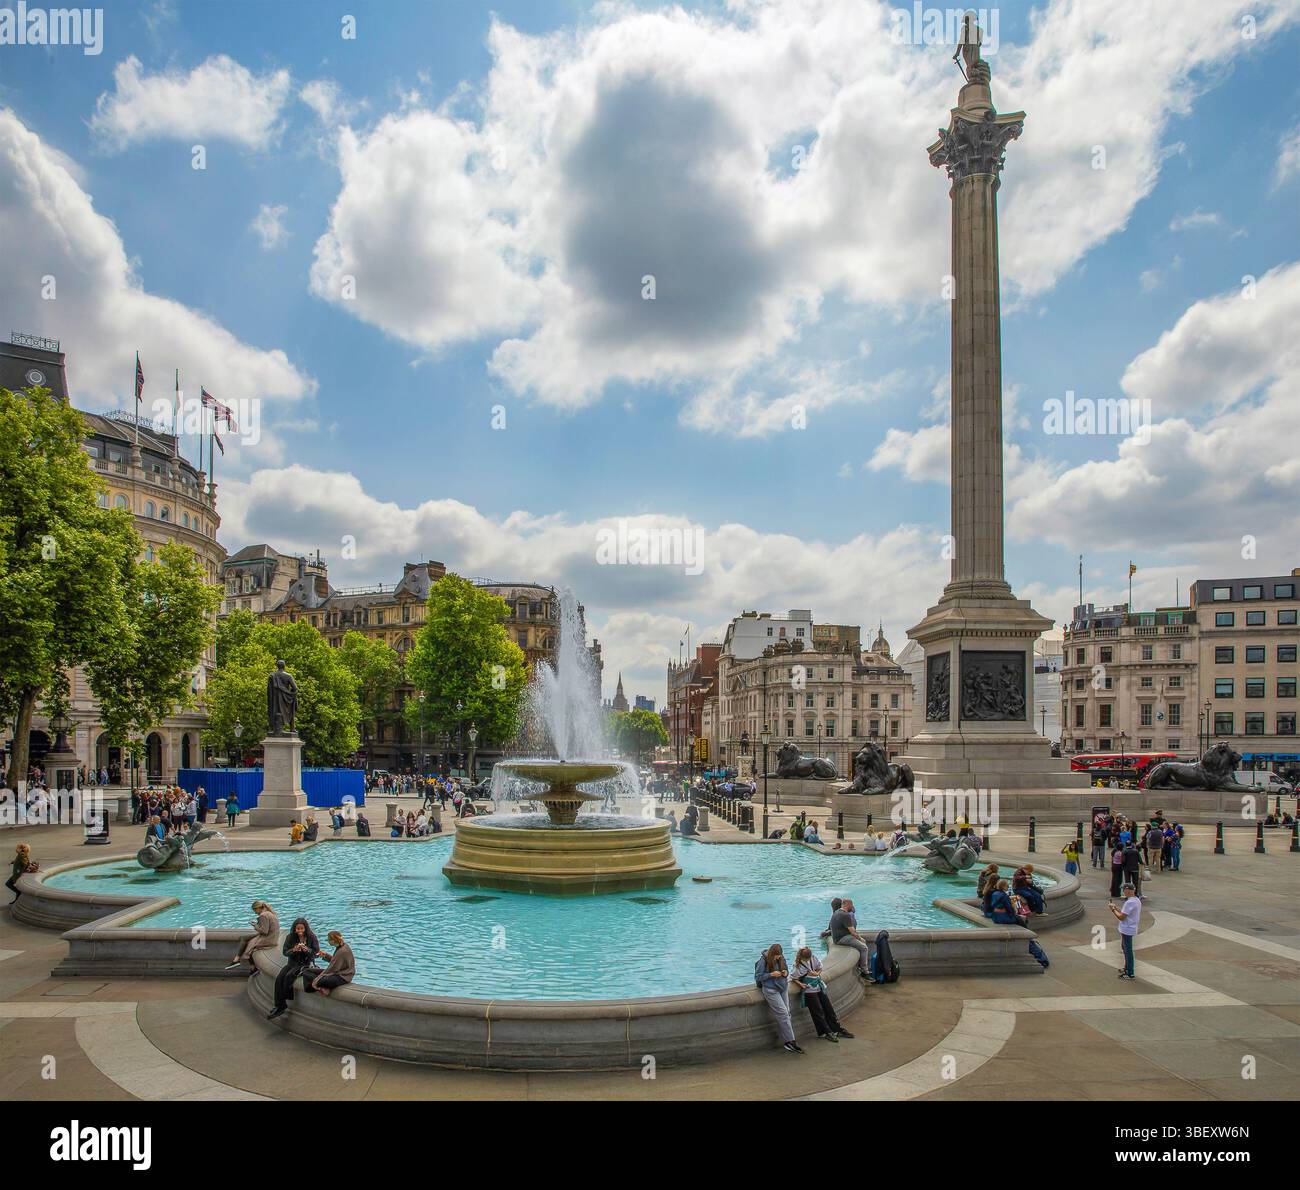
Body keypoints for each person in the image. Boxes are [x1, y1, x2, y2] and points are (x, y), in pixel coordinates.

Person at [790, 946, 852, 1042]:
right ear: (802, 957)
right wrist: (801, 984)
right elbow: (793, 978)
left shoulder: (813, 958)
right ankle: (825, 1032)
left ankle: (836, 1029)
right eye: (807, 958)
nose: (809, 959)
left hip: (819, 987)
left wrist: (817, 973)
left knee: (828, 1008)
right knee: (817, 1012)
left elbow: (820, 967)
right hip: (809, 991)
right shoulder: (797, 966)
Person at [267, 917, 322, 1019]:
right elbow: (285, 952)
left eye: (302, 929)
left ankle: (286, 998)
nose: (300, 931)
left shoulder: (312, 937)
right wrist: (294, 950)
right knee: (279, 978)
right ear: (295, 929)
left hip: (304, 963)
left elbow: (316, 953)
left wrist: (307, 950)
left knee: (289, 976)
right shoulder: (290, 937)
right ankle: (279, 1004)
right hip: (292, 963)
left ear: (305, 928)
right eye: (298, 929)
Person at [755, 943, 802, 1054]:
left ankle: (787, 1039)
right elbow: (758, 976)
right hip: (771, 990)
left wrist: (785, 973)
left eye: (779, 955)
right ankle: (790, 1041)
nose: (778, 958)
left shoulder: (781, 958)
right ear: (772, 954)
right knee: (783, 1013)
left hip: (783, 988)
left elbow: (786, 969)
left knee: (787, 1013)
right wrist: (771, 975)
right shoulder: (763, 961)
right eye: (776, 956)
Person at [226, 900, 280, 972]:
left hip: (268, 939)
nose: (255, 912)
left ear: (258, 908)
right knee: (244, 938)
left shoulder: (263, 915)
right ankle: (237, 960)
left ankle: (247, 965)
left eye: (255, 910)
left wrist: (255, 925)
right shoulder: (269, 913)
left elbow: (264, 931)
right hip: (272, 937)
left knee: (250, 945)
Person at [829, 897, 873, 980]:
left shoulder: (837, 912)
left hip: (836, 938)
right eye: (851, 905)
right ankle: (865, 972)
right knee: (864, 947)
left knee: (862, 944)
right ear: (848, 905)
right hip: (842, 939)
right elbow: (853, 931)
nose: (852, 907)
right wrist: (860, 938)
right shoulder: (845, 915)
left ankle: (862, 965)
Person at [308, 930, 355, 996]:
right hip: (340, 973)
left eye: (329, 939)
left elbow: (332, 969)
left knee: (319, 980)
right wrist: (325, 955)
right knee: (310, 972)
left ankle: (325, 988)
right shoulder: (341, 947)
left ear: (334, 940)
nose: (328, 941)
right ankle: (325, 987)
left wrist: (316, 980)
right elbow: (336, 961)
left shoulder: (341, 951)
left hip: (343, 976)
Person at [1110, 881, 1141, 979]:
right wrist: (1116, 908)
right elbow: (1125, 913)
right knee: (1125, 948)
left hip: (1127, 928)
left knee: (1127, 950)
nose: (1123, 891)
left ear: (1127, 890)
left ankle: (1130, 972)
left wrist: (1113, 910)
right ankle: (1126, 967)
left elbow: (1122, 917)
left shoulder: (1129, 902)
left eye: (1124, 889)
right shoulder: (1136, 900)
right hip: (1130, 927)